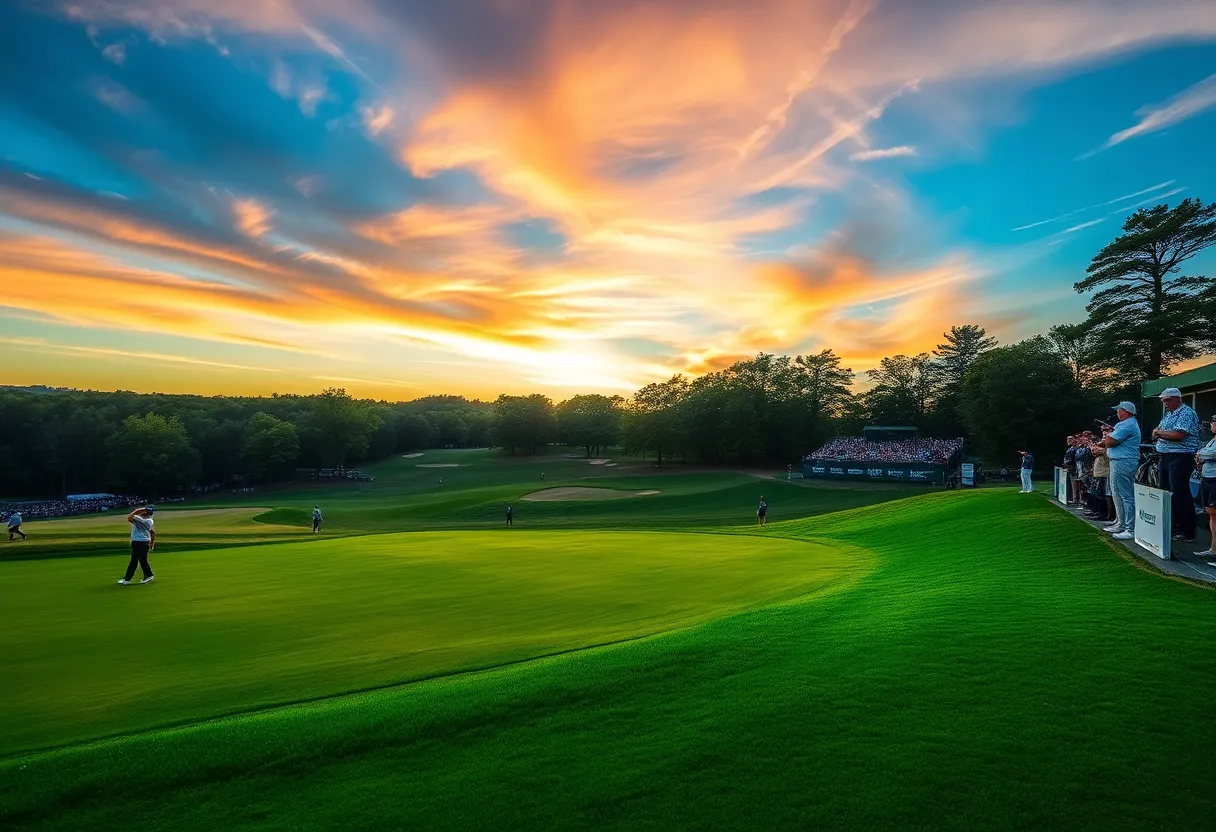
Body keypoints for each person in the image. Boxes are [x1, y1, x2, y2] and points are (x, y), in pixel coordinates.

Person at [1152, 387, 1201, 542]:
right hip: (1165, 456)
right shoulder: (1168, 415)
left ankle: (1187, 530)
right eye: (1163, 401)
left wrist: (1160, 433)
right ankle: (1172, 525)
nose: (1165, 404)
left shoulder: (1186, 412)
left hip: (1180, 456)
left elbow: (1178, 435)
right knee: (1166, 492)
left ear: (1176, 399)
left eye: (1167, 400)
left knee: (1180, 492)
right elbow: (1156, 432)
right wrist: (1160, 433)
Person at [1101, 402, 1142, 541]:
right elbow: (1108, 441)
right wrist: (1108, 436)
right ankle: (1120, 523)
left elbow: (1110, 442)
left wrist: (1108, 435)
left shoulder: (1127, 424)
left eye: (1119, 410)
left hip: (1124, 461)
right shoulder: (1125, 424)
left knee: (1125, 495)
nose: (1117, 413)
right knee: (1117, 493)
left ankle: (1129, 528)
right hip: (1118, 460)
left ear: (1127, 411)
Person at [1195, 414, 1216, 557]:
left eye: (1215, 422)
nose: (1212, 424)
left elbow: (1211, 454)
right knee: (1211, 513)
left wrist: (1201, 454)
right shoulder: (1212, 440)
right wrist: (1202, 454)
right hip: (1207, 477)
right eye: (1213, 421)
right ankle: (1213, 549)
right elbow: (1201, 452)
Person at [118, 506, 156, 585]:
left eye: (143, 511)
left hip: (140, 543)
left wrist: (139, 509)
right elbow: (152, 532)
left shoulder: (146, 520)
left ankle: (127, 579)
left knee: (135, 561)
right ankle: (148, 575)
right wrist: (152, 543)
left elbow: (130, 516)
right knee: (141, 560)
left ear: (145, 513)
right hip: (141, 543)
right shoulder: (147, 521)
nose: (141, 512)